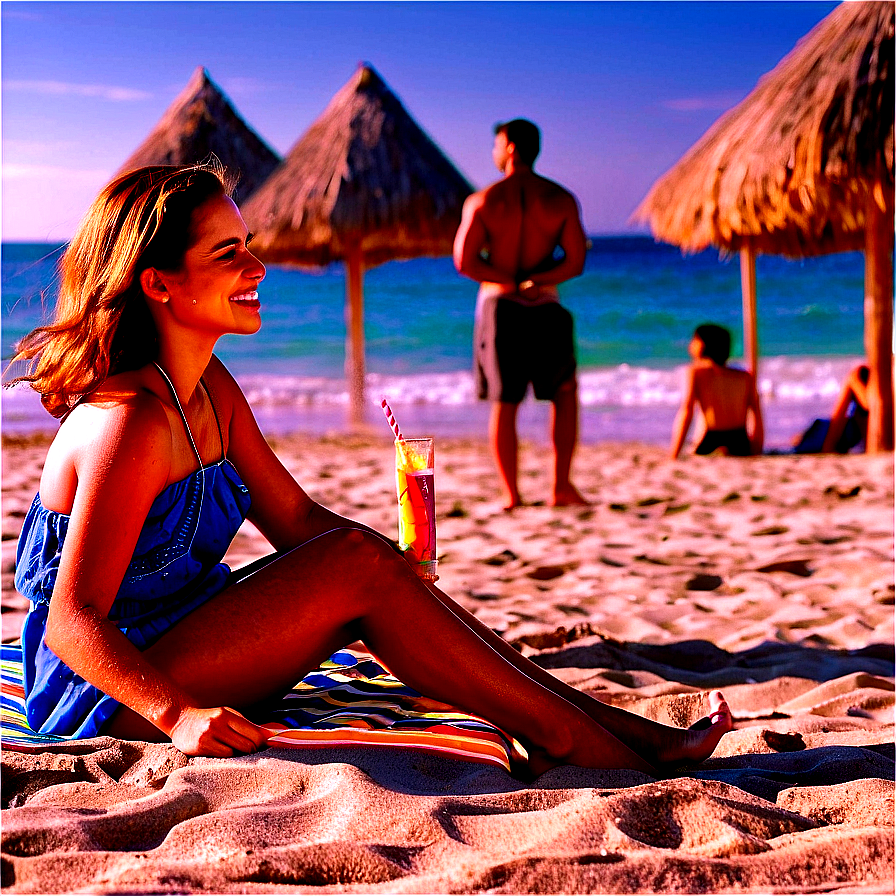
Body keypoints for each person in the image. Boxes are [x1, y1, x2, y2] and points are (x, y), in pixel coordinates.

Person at [7, 162, 731, 775]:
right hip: (108, 688)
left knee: (369, 560)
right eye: (228, 254)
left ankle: (606, 728)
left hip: (178, 633)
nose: (258, 268)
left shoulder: (211, 389)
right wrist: (179, 716)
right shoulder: (131, 422)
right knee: (357, 562)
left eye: (248, 245)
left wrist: (394, 569)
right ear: (159, 284)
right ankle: (573, 741)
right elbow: (73, 620)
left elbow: (294, 520)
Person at [453, 119, 589, 509]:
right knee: (564, 395)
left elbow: (464, 262)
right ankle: (561, 487)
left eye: (496, 145)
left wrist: (508, 281)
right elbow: (576, 261)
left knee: (505, 401)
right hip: (545, 302)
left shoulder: (483, 201)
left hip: (500, 304)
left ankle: (512, 494)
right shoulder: (560, 199)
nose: (494, 152)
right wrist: (535, 280)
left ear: (510, 147)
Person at [670, 323, 764, 459]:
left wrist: (674, 454)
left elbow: (687, 410)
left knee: (700, 425)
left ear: (701, 344)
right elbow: (756, 412)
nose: (690, 345)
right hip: (739, 439)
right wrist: (756, 449)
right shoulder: (744, 376)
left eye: (694, 340)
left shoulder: (695, 373)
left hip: (710, 438)